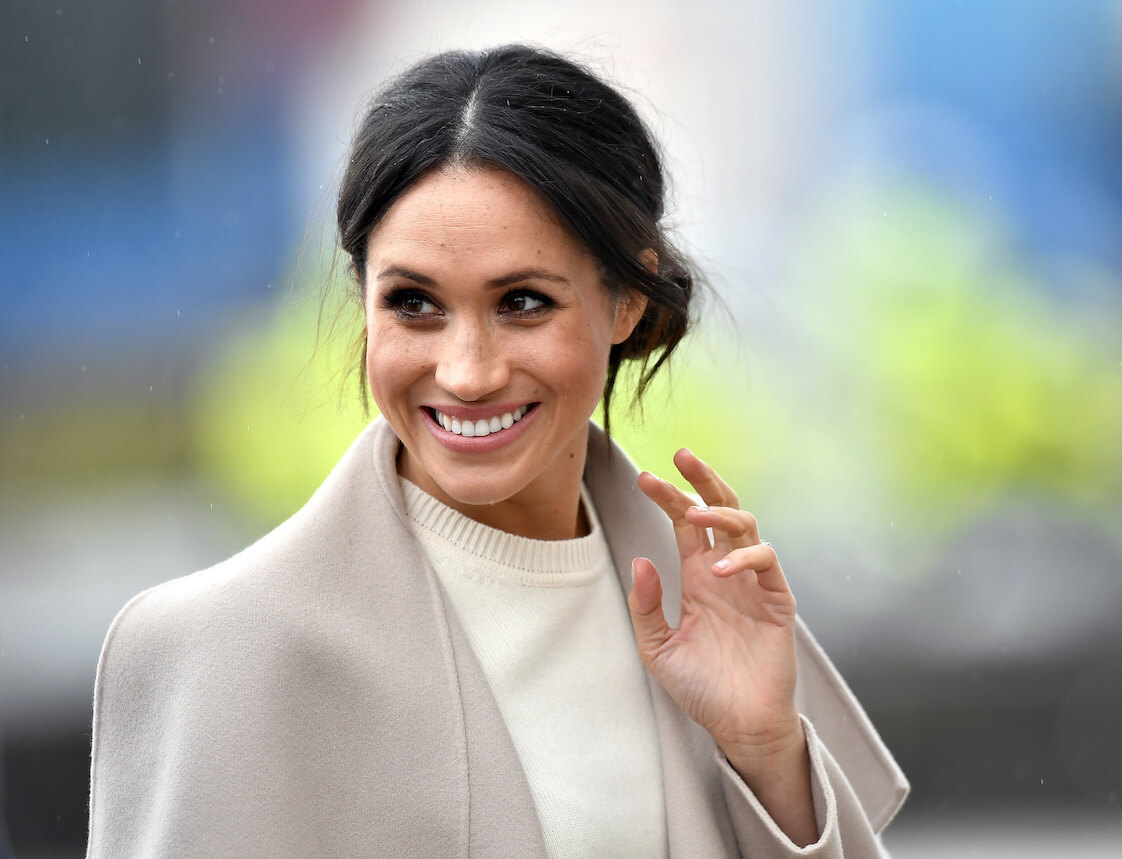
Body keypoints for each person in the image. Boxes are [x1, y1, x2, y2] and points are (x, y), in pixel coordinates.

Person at [87, 45, 907, 857]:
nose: (467, 371)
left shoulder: (709, 621)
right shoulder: (223, 651)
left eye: (522, 302)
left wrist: (764, 752)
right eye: (413, 304)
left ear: (626, 299)